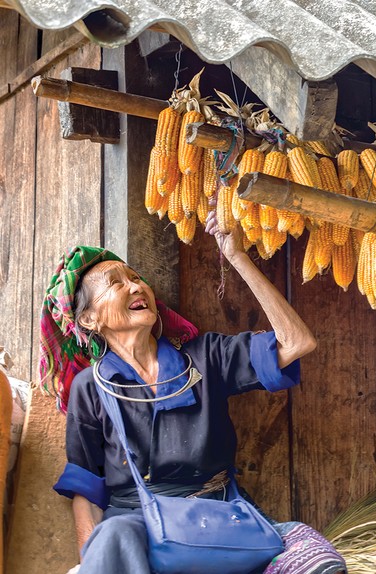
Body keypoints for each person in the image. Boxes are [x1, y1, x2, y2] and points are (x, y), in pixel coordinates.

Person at [40, 214, 346, 574]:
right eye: (116, 283)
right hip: (139, 528)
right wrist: (92, 563)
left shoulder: (205, 357)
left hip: (220, 522)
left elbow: (298, 342)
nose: (137, 287)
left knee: (312, 557)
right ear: (90, 320)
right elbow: (87, 491)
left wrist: (237, 257)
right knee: (114, 535)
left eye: (137, 279)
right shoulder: (92, 387)